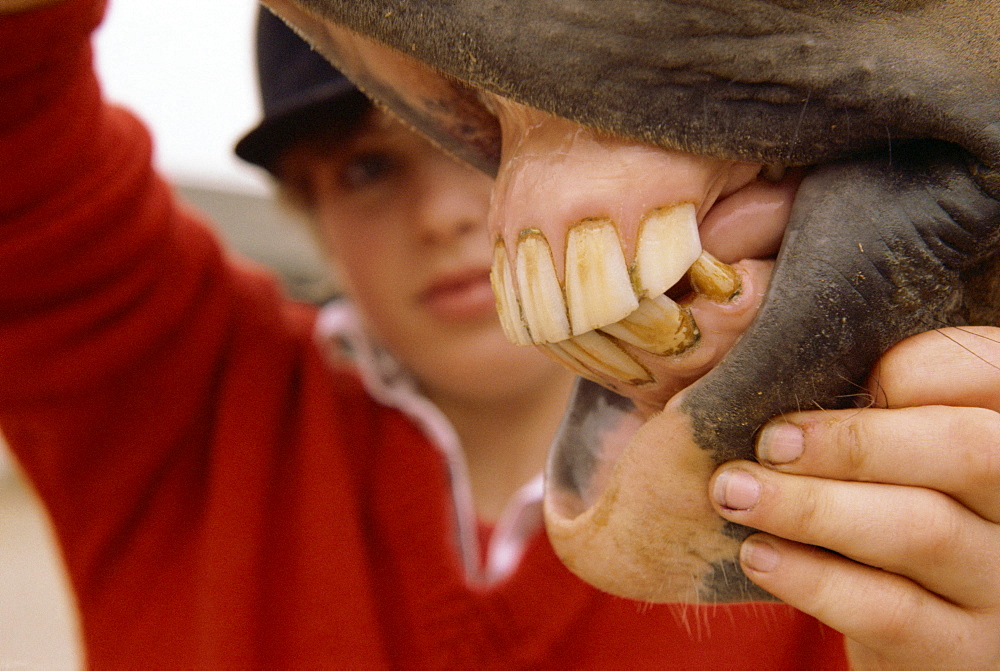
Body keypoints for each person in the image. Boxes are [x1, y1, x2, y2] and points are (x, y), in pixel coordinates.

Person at [2, 1, 999, 669]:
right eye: (364, 169)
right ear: (307, 216)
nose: (444, 213)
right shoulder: (176, 402)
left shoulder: (864, 447)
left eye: (476, 133)